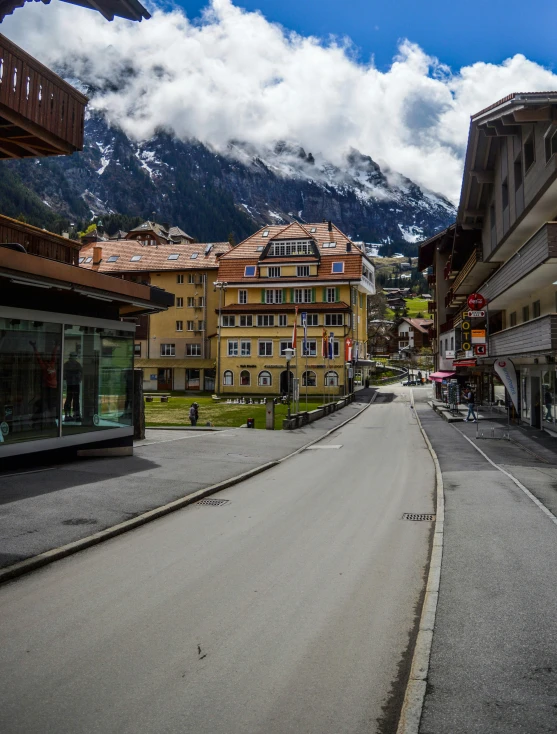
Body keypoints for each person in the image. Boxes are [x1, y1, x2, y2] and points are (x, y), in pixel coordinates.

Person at [64, 352, 83, 421]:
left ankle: (71, 415)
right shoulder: (76, 364)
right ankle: (73, 415)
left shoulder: (68, 364)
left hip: (72, 384)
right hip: (73, 384)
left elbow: (82, 373)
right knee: (73, 399)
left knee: (71, 399)